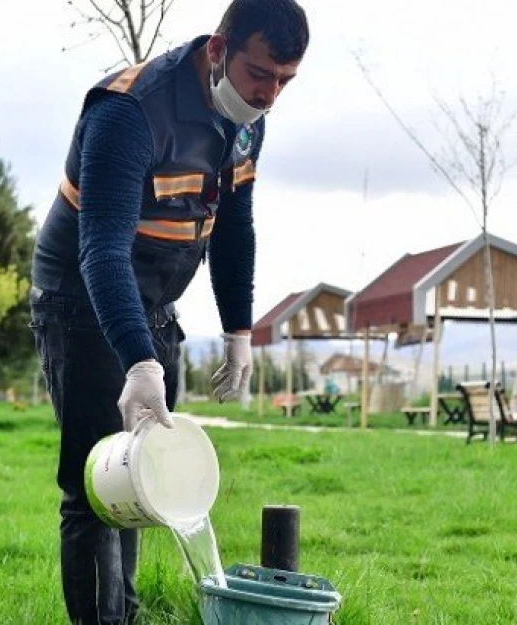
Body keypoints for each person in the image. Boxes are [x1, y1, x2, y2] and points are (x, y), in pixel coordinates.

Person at [29, 1, 309, 622]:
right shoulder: (127, 111)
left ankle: (124, 614)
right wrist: (138, 362)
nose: (270, 95)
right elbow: (101, 250)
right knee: (93, 483)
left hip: (155, 300)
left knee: (139, 478)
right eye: (261, 74)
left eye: (285, 81)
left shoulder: (246, 119)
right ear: (218, 50)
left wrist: (239, 331)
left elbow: (235, 226)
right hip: (79, 297)